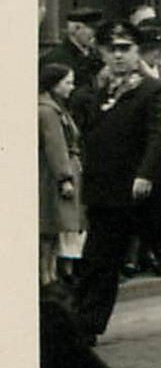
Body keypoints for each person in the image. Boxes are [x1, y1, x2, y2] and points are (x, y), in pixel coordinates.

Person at [74, 19, 161, 343]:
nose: (117, 56)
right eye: (110, 49)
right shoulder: (97, 91)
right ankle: (86, 325)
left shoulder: (153, 89)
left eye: (125, 49)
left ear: (138, 51)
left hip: (147, 191)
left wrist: (146, 174)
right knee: (99, 259)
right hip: (108, 191)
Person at [39, 64, 84, 285]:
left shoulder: (56, 108)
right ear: (54, 84)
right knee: (50, 225)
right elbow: (55, 147)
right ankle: (47, 276)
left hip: (56, 172)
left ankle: (50, 273)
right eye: (67, 82)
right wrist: (64, 178)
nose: (71, 87)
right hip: (53, 176)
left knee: (53, 227)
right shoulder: (49, 112)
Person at [40, 7, 104, 128]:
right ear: (75, 29)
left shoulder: (96, 56)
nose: (96, 35)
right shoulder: (56, 58)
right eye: (92, 29)